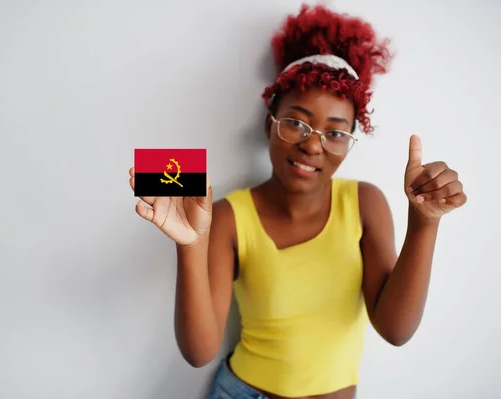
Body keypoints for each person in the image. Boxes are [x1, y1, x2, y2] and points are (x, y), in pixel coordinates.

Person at [128, 4, 467, 399]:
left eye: (335, 132)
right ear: (269, 121)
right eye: (296, 122)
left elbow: (395, 330)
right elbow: (199, 351)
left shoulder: (365, 204)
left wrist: (424, 223)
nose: (311, 145)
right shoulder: (227, 216)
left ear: (350, 143)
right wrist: (189, 245)